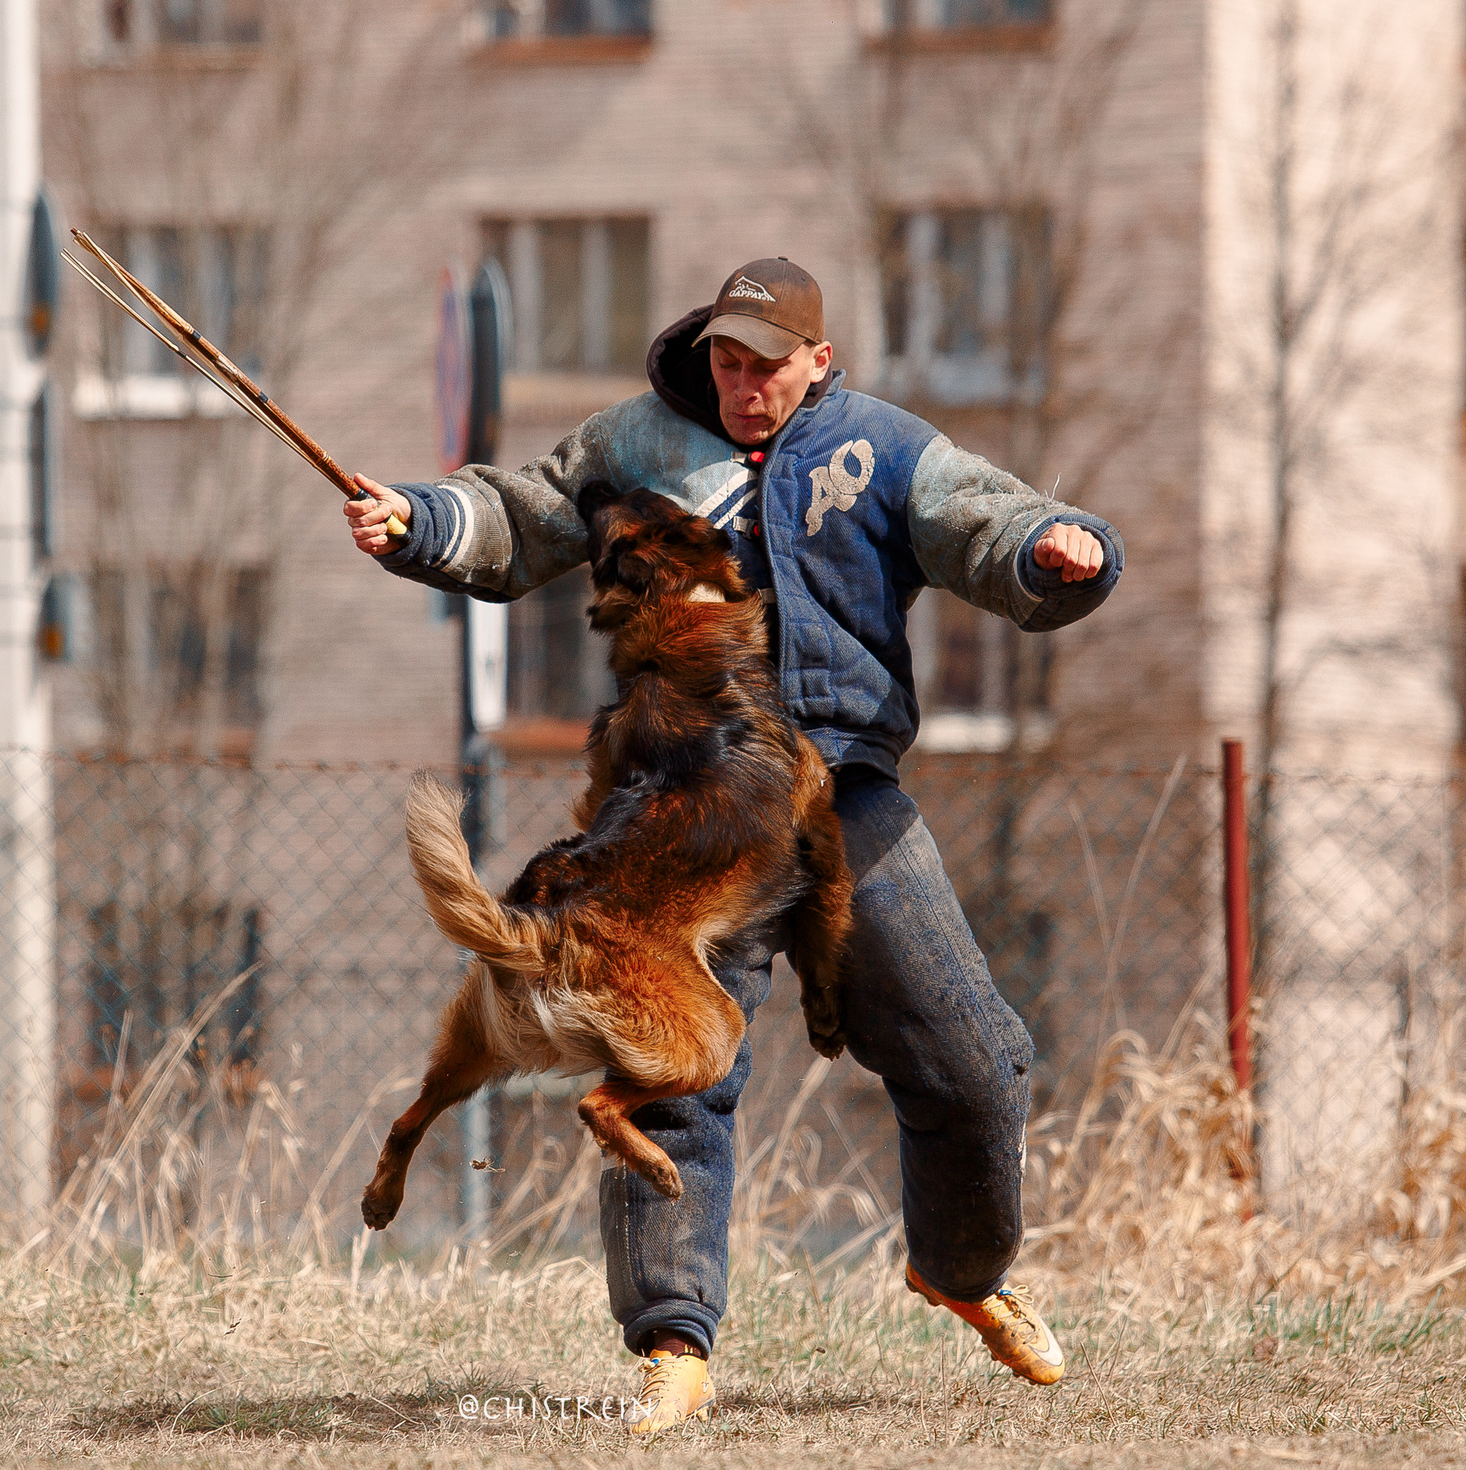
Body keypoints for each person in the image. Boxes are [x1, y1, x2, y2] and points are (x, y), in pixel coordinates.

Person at [342, 257, 1120, 1434]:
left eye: (767, 364)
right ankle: (673, 1343)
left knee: (975, 1059)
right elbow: (519, 511)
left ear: (817, 361)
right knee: (670, 1079)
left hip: (838, 797)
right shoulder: (636, 444)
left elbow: (989, 523)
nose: (744, 384)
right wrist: (420, 521)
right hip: (684, 799)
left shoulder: (882, 447)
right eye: (726, 359)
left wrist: (1060, 549)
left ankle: (960, 1273)